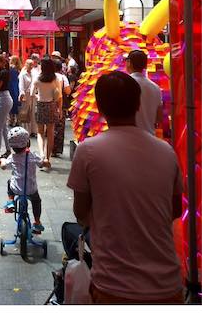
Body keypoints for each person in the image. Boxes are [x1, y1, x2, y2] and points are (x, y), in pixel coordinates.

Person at [67, 71, 184, 304]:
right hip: (168, 285)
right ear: (139, 104)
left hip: (113, 285)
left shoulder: (89, 151)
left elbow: (81, 212)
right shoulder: (166, 152)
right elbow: (175, 210)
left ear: (99, 107)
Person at [0, 126, 49, 233]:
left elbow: (3, 167)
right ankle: (37, 222)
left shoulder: (12, 158)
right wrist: (46, 161)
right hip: (31, 189)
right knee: (36, 202)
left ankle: (11, 201)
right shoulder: (33, 156)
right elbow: (42, 164)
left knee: (9, 181)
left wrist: (2, 160)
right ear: (28, 143)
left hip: (16, 188)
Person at [31, 58, 62, 167]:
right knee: (50, 133)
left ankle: (41, 155)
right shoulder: (55, 79)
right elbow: (59, 96)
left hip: (40, 106)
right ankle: (48, 158)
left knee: (40, 132)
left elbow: (31, 94)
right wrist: (60, 109)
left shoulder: (37, 78)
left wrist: (38, 95)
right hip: (52, 106)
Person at [125, 49, 163, 135]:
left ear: (128, 62)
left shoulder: (123, 84)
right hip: (149, 137)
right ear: (145, 66)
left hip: (128, 137)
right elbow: (159, 118)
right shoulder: (156, 88)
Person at [52, 60, 71, 157]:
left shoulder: (46, 76)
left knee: (50, 126)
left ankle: (49, 148)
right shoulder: (62, 77)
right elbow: (67, 91)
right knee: (59, 126)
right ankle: (56, 149)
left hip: (48, 103)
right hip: (60, 104)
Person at [18, 59, 37, 138]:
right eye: (29, 64)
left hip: (33, 95)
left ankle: (33, 130)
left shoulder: (34, 73)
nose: (31, 66)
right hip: (26, 94)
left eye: (32, 64)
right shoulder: (23, 74)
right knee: (26, 112)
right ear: (26, 65)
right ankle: (26, 131)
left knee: (33, 112)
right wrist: (22, 94)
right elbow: (21, 86)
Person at [8, 55, 21, 126]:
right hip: (18, 86)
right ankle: (18, 120)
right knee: (17, 103)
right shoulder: (20, 69)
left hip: (11, 86)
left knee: (11, 103)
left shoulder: (10, 68)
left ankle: (11, 120)